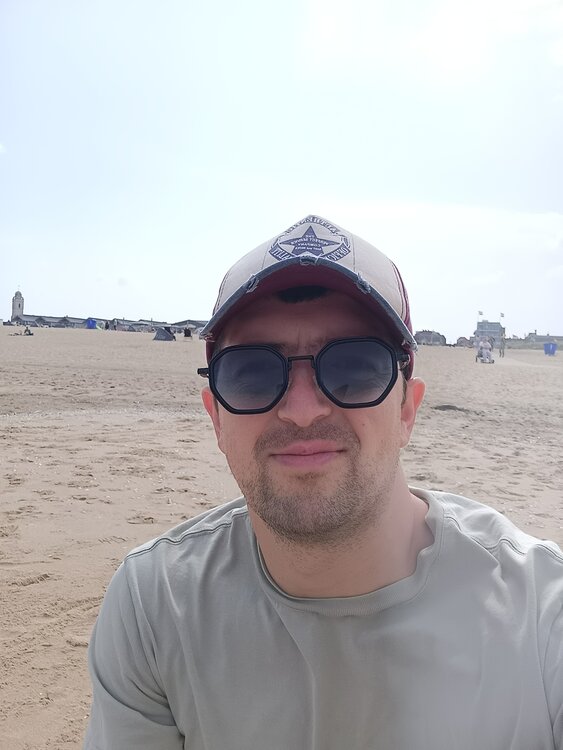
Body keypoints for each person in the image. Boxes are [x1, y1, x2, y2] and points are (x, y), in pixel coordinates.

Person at [84, 215, 563, 749]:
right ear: (216, 417)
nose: (303, 410)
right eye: (251, 373)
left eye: (354, 366)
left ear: (407, 408)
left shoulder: (542, 616)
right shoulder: (157, 605)